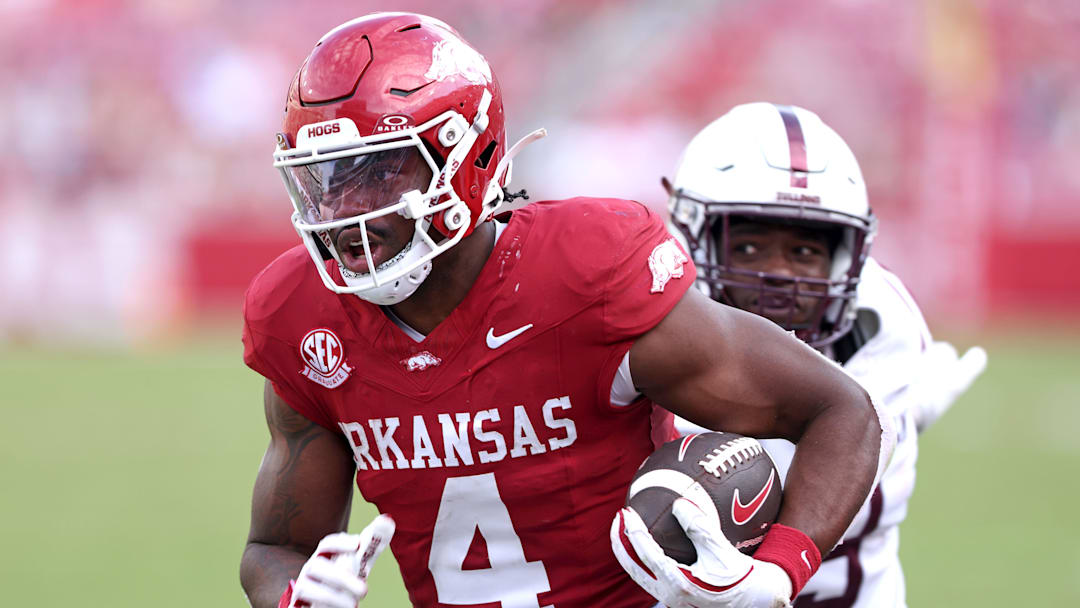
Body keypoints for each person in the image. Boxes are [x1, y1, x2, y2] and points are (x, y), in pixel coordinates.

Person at [239, 14, 893, 608]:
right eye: (329, 179)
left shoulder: (586, 276)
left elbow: (841, 411)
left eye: (380, 170)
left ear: (468, 157)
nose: (349, 211)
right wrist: (294, 599)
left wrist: (775, 577)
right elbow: (274, 548)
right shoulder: (304, 320)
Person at [664, 102, 987, 607]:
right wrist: (886, 427)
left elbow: (809, 487)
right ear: (688, 233)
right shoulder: (650, 313)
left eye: (805, 252)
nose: (779, 274)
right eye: (748, 248)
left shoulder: (880, 324)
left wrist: (884, 427)